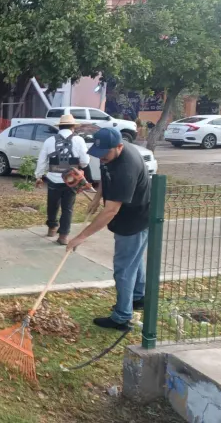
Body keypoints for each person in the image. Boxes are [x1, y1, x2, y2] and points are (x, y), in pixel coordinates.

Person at [65, 127, 151, 331]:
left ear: (119, 147)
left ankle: (122, 317)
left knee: (124, 268)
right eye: (98, 154)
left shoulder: (126, 168)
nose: (101, 158)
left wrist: (80, 237)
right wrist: (97, 197)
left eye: (105, 154)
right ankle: (139, 298)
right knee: (133, 261)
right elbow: (105, 174)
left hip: (134, 219)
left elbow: (111, 211)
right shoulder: (109, 155)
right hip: (127, 214)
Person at [34, 115, 90, 245]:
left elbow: (42, 160)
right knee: (68, 208)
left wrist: (38, 176)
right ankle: (64, 236)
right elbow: (85, 162)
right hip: (71, 180)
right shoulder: (79, 140)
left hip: (54, 179)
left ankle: (52, 228)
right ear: (72, 127)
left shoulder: (49, 140)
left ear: (59, 126)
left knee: (52, 205)